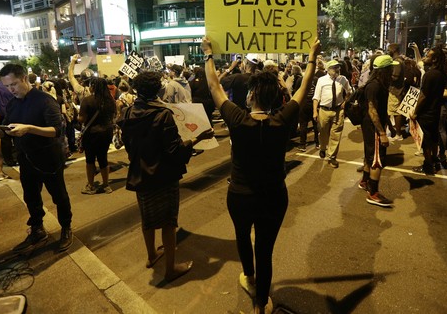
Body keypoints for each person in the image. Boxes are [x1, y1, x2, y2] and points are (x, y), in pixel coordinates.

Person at [201, 35, 320, 314]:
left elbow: (214, 86)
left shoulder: (238, 120)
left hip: (240, 196)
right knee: (264, 251)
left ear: (251, 95)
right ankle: (259, 305)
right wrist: (312, 55)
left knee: (243, 237)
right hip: (274, 198)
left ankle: (249, 277)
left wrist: (208, 53)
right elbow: (304, 87)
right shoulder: (283, 119)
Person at [117, 70, 214, 283]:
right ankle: (170, 269)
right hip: (163, 175)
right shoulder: (163, 114)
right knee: (169, 223)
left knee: (147, 219)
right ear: (159, 89)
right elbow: (175, 151)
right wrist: (198, 138)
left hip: (140, 174)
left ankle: (152, 255)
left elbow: (127, 144)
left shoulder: (127, 113)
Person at [0, 64, 73, 253]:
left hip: (49, 158)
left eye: (14, 84)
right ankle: (37, 229)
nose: (11, 90)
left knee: (59, 195)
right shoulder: (12, 103)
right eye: (7, 86)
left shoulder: (45, 100)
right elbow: (8, 129)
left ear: (25, 78)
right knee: (31, 197)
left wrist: (29, 128)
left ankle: (66, 228)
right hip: (26, 158)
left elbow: (57, 130)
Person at [357, 55, 398, 207]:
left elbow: (381, 109)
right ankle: (373, 193)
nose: (394, 70)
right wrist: (382, 133)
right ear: (385, 70)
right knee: (377, 160)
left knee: (370, 156)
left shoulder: (379, 84)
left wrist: (390, 126)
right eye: (391, 67)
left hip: (374, 125)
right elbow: (372, 110)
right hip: (373, 127)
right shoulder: (374, 86)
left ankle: (365, 182)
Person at [410, 46, 447, 175]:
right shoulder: (442, 74)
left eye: (428, 56)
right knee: (433, 138)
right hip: (435, 110)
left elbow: (423, 95)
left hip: (426, 112)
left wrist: (415, 112)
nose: (425, 57)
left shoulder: (430, 74)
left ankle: (428, 165)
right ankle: (434, 160)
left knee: (426, 141)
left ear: (435, 59)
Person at [78, 77, 117, 194]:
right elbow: (113, 115)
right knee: (103, 158)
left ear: (93, 87)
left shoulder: (88, 100)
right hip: (106, 132)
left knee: (90, 160)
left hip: (91, 134)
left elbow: (81, 119)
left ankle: (90, 186)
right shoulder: (110, 100)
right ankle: (106, 185)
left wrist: (77, 117)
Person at [312, 59, 352, 168]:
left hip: (338, 110)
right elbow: (316, 97)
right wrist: (315, 111)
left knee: (336, 134)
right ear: (328, 70)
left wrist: (345, 102)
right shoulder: (321, 80)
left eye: (338, 67)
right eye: (334, 68)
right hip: (324, 110)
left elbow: (350, 91)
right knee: (323, 132)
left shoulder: (343, 79)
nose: (337, 70)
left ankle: (332, 157)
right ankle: (323, 148)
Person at [387, 43, 406, 140]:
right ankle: (396, 132)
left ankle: (398, 134)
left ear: (393, 50)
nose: (388, 51)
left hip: (395, 90)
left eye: (389, 49)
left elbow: (395, 77)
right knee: (394, 111)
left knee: (395, 112)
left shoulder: (397, 62)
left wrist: (386, 75)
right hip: (396, 90)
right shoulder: (399, 61)